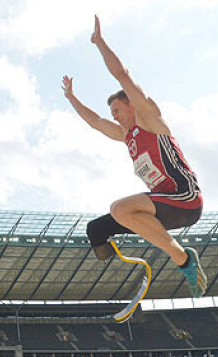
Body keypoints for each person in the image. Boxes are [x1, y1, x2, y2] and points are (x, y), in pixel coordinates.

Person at [62, 16, 206, 298]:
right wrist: (72, 98)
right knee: (123, 213)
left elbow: (122, 76)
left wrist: (100, 43)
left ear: (132, 105)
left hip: (185, 198)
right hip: (166, 209)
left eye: (117, 109)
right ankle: (183, 259)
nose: (113, 115)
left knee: (119, 209)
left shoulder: (150, 122)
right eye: (112, 112)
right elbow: (94, 121)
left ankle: (183, 259)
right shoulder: (127, 138)